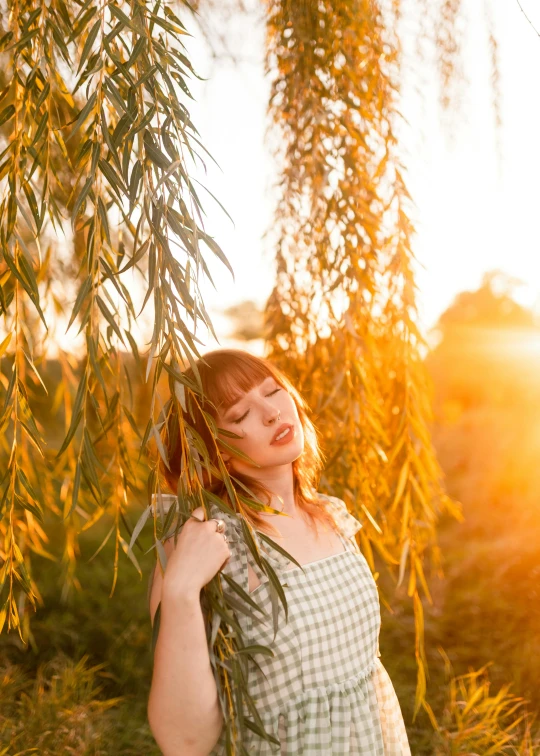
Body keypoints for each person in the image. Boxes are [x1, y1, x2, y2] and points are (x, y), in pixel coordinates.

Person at [147, 349, 411, 755]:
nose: (271, 412)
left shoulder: (332, 516)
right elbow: (185, 743)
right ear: (216, 453)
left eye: (273, 391)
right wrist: (180, 590)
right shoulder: (209, 543)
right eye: (239, 415)